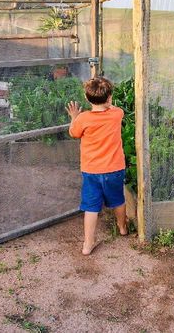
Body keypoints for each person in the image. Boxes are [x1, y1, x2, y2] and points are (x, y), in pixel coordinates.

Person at [66, 76, 128, 255]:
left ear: (87, 98)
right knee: (118, 200)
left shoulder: (83, 119)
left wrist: (74, 117)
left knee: (91, 207)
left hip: (91, 171)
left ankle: (88, 244)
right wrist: (108, 103)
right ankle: (122, 227)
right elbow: (114, 108)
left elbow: (73, 133)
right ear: (109, 98)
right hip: (114, 169)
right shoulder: (117, 114)